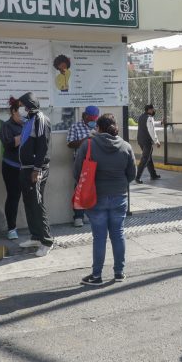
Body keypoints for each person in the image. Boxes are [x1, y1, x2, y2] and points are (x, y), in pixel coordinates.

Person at [76, 114, 135, 286]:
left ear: (98, 128)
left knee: (99, 237)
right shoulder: (126, 146)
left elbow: (77, 172)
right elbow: (131, 174)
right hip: (119, 197)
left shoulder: (88, 145)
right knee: (118, 234)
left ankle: (96, 276)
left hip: (96, 197)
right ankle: (119, 272)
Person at [16, 92, 54, 257]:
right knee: (29, 202)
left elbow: (42, 146)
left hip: (35, 169)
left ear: (30, 105)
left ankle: (47, 240)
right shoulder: (30, 120)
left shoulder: (40, 119)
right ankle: (36, 236)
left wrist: (37, 170)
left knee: (37, 203)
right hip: (25, 167)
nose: (23, 109)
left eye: (24, 105)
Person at [67, 105, 100, 227]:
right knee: (80, 188)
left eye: (95, 119)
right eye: (91, 119)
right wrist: (86, 139)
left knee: (97, 188)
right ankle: (78, 217)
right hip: (81, 162)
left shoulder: (98, 126)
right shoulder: (75, 127)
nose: (93, 121)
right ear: (85, 116)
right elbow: (70, 144)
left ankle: (96, 215)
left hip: (97, 161)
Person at [0, 98, 24, 240]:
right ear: (14, 111)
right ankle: (12, 228)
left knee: (30, 198)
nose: (24, 115)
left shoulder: (30, 124)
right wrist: (25, 133)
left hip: (28, 167)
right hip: (11, 167)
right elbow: (9, 144)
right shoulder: (6, 126)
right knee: (13, 197)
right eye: (20, 111)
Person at [135, 104, 162, 184]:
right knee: (145, 159)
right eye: (153, 109)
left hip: (140, 140)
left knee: (148, 158)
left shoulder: (141, 117)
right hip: (147, 141)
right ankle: (137, 177)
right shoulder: (149, 118)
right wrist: (156, 141)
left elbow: (151, 124)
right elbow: (151, 130)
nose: (154, 111)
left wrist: (161, 122)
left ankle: (153, 175)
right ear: (149, 110)